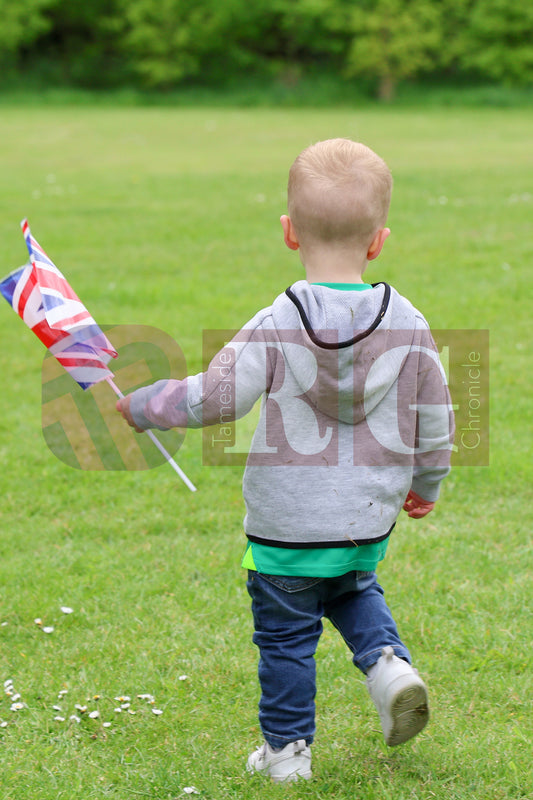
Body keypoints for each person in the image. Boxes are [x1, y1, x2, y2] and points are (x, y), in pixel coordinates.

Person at [116, 138, 454, 783]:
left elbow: (216, 399)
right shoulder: (410, 323)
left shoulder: (277, 320)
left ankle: (286, 755)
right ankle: (389, 667)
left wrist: (144, 404)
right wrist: (427, 482)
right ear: (379, 241)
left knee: (286, 637)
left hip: (285, 525)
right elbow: (436, 417)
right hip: (364, 516)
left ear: (289, 232)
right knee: (352, 586)